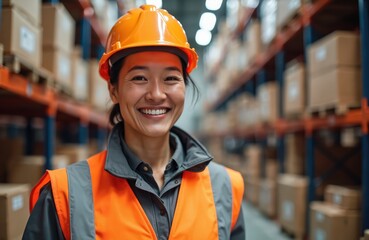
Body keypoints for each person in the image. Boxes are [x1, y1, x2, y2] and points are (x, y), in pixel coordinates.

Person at [23, 4, 245, 240]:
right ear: (114, 90)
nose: (157, 94)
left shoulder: (225, 187)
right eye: (139, 78)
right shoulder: (64, 195)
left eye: (171, 78)